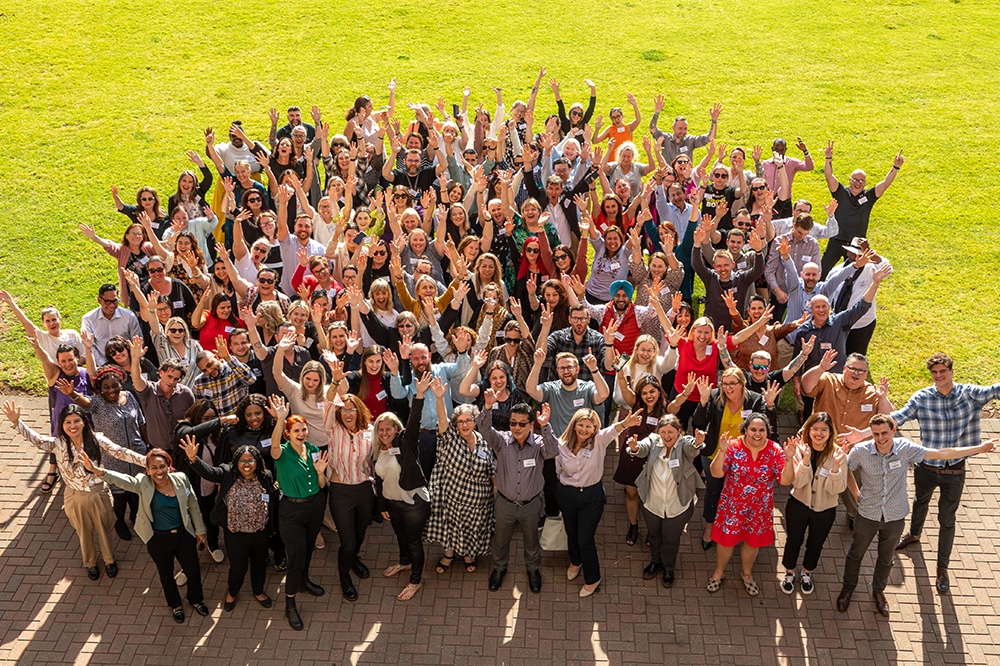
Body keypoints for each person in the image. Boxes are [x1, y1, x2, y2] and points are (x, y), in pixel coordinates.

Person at [836, 414, 996, 617]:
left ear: (893, 430)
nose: (880, 438)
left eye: (884, 433)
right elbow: (845, 468)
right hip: (867, 513)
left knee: (886, 558)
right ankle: (848, 589)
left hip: (895, 516)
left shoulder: (905, 449)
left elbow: (943, 453)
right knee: (855, 553)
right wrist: (856, 493)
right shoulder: (860, 451)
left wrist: (979, 448)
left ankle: (878, 592)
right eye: (876, 434)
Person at [873, 353, 1000, 594]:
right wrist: (866, 430)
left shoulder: (969, 394)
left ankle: (942, 568)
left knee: (947, 519)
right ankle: (914, 534)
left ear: (952, 371)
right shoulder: (922, 398)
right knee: (920, 501)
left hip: (955, 470)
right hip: (927, 467)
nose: (939, 376)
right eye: (935, 372)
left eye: (943, 371)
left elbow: (995, 390)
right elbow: (896, 419)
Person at [2, 401, 146, 580]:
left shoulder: (97, 440)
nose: (73, 426)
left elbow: (121, 452)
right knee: (83, 532)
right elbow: (37, 440)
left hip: (98, 493)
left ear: (84, 422)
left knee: (104, 529)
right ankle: (90, 563)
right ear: (62, 425)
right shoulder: (58, 444)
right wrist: (17, 423)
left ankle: (109, 560)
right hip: (74, 496)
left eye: (76, 421)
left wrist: (148, 461)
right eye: (67, 422)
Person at [79, 446, 209, 622]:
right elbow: (121, 480)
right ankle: (175, 605)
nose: (159, 471)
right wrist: (96, 470)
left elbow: (193, 504)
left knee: (193, 571)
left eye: (162, 466)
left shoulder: (181, 479)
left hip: (183, 535)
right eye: (153, 468)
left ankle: (195, 599)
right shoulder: (143, 483)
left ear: (168, 466)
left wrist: (200, 530)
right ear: (147, 470)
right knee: (166, 573)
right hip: (158, 538)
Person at [178, 436, 277, 612]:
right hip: (236, 534)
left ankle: (258, 591)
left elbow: (272, 500)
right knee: (238, 568)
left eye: (251, 460)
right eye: (242, 461)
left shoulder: (265, 476)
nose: (246, 464)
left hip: (260, 533)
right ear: (236, 462)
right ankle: (232, 592)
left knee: (259, 564)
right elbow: (209, 472)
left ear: (258, 462)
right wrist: (194, 458)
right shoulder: (227, 473)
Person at [557, 408, 644, 597]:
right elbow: (558, 470)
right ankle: (575, 561)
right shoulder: (561, 444)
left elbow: (614, 430)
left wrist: (625, 424)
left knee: (585, 538)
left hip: (591, 496)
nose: (584, 429)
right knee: (571, 531)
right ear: (574, 425)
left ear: (595, 428)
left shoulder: (599, 441)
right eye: (580, 424)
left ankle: (593, 578)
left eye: (588, 426)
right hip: (567, 494)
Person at [706, 413, 794, 596]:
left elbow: (785, 481)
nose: (757, 434)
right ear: (745, 429)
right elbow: (716, 473)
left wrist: (789, 459)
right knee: (725, 542)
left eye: (762, 430)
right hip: (732, 506)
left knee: (752, 544)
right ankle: (719, 571)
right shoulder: (733, 446)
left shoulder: (775, 450)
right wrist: (721, 452)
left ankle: (746, 573)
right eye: (753, 429)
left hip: (759, 509)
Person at [57, 365, 148, 541]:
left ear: (121, 383)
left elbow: (141, 422)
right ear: (100, 389)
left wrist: (148, 444)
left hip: (136, 453)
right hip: (114, 457)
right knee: (120, 495)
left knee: (137, 491)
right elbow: (84, 403)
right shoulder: (98, 403)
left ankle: (136, 518)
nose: (111, 390)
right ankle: (120, 521)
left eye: (115, 385)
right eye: (106, 387)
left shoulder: (129, 397)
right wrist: (72, 393)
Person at [480, 398, 558, 594]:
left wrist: (546, 425)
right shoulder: (502, 441)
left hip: (531, 505)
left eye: (522, 424)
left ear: (531, 425)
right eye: (513, 423)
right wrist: (487, 407)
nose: (516, 427)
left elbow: (553, 451)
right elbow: (484, 430)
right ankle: (499, 569)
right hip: (505, 503)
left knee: (531, 540)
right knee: (500, 539)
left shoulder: (539, 443)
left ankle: (533, 570)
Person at [424, 378, 496, 576]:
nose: (464, 425)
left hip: (478, 499)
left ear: (474, 421)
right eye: (461, 421)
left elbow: (492, 470)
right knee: (450, 526)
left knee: (474, 527)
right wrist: (440, 398)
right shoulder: (449, 437)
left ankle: (469, 555)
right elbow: (442, 419)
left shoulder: (483, 441)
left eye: (468, 420)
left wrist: (495, 493)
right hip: (452, 496)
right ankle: (448, 555)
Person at [268, 395, 329, 631]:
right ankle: (289, 603)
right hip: (291, 510)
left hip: (314, 507)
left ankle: (303, 581)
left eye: (304, 429)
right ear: (288, 433)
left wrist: (321, 472)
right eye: (296, 430)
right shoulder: (282, 453)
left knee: (310, 547)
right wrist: (280, 420)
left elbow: (322, 484)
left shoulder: (313, 450)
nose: (302, 433)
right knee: (296, 556)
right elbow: (272, 448)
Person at [373, 373, 433, 602]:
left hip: (413, 503)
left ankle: (415, 581)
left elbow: (415, 420)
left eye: (389, 429)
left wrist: (419, 395)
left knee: (414, 541)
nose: (385, 433)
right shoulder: (379, 450)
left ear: (396, 429)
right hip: (393, 503)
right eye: (381, 429)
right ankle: (404, 562)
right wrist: (382, 505)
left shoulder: (406, 443)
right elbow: (379, 480)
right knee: (400, 536)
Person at [626, 415, 705, 588]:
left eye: (671, 432)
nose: (667, 436)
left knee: (671, 539)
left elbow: (693, 448)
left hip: (677, 506)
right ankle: (655, 562)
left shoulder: (683, 443)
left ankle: (668, 568)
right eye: (663, 432)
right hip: (652, 504)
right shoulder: (654, 441)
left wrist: (698, 442)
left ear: (679, 431)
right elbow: (642, 448)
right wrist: (635, 447)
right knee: (654, 536)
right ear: (658, 432)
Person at [779, 412, 848, 596]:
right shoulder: (799, 450)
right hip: (798, 505)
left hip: (825, 510)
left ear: (830, 432)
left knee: (816, 543)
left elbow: (838, 488)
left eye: (824, 430)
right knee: (793, 540)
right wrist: (805, 461)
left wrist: (835, 467)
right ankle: (789, 572)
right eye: (815, 429)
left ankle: (807, 572)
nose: (819, 433)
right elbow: (798, 483)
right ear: (808, 430)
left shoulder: (839, 454)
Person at [322, 393, 376, 602]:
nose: (347, 413)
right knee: (347, 540)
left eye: (351, 409)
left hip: (363, 489)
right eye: (343, 410)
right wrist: (335, 382)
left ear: (358, 410)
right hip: (341, 491)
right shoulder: (333, 430)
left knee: (360, 532)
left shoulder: (370, 432)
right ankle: (344, 575)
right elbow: (326, 406)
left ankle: (354, 560)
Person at [820, 141, 904, 276]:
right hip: (836, 240)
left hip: (856, 246)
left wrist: (895, 167)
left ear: (865, 183)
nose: (858, 183)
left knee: (852, 277)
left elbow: (885, 183)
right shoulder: (840, 192)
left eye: (861, 181)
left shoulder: (869, 196)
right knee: (823, 272)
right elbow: (829, 177)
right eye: (855, 179)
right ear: (849, 180)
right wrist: (828, 158)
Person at [129, 337, 196, 452]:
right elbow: (136, 379)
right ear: (161, 373)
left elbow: (193, 420)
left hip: (182, 450)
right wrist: (135, 360)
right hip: (159, 452)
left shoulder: (186, 394)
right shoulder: (149, 391)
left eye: (176, 379)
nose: (171, 382)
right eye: (169, 376)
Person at [81, 284, 142, 366]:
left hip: (128, 362)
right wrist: (104, 365)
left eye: (115, 301)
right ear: (99, 300)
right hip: (102, 364)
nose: (112, 305)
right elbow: (89, 346)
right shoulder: (88, 319)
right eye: (108, 302)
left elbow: (137, 341)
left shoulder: (129, 316)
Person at [648, 97, 721, 164]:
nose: (683, 131)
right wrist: (657, 112)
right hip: (669, 176)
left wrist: (714, 120)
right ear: (673, 127)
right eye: (680, 128)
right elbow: (652, 128)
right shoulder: (665, 139)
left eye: (685, 129)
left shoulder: (690, 141)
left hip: (686, 176)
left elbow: (710, 137)